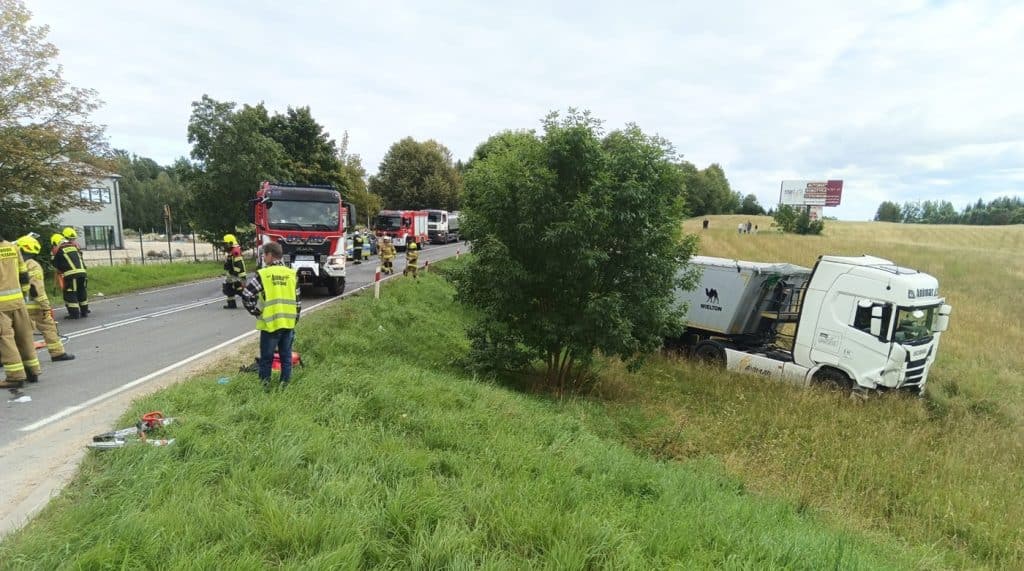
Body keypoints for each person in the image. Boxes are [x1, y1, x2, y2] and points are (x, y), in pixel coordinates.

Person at [241, 241, 300, 391]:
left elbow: (247, 294)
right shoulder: (292, 274)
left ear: (270, 255)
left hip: (270, 324)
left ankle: (265, 388)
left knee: (266, 359)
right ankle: (284, 387)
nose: (263, 258)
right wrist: (294, 320)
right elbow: (298, 301)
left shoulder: (264, 274)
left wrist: (256, 312)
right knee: (286, 358)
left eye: (264, 255)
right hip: (288, 323)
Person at [16, 235, 74, 362]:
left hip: (16, 306)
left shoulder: (11, 264)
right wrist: (45, 305)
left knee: (18, 334)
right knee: (48, 327)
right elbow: (36, 288)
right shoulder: (32, 265)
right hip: (34, 306)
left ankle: (12, 358)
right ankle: (57, 353)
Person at [0, 234, 41, 390]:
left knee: (5, 338)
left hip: (1, 306)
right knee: (24, 336)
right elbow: (23, 274)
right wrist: (23, 295)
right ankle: (32, 371)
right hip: (18, 301)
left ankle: (15, 377)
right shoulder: (12, 247)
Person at [50, 233, 89, 319]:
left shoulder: (59, 250)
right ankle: (84, 312)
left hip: (72, 275)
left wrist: (53, 255)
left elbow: (55, 265)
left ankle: (74, 314)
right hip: (83, 273)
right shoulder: (74, 247)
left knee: (70, 293)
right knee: (81, 291)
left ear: (55, 243)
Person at [222, 234, 246, 309]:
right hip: (233, 275)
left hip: (238, 276)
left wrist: (235, 273)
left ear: (230, 243)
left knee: (238, 289)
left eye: (225, 244)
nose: (224, 246)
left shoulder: (235, 251)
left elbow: (238, 264)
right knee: (229, 288)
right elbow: (231, 263)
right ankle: (231, 304)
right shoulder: (232, 251)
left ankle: (251, 298)